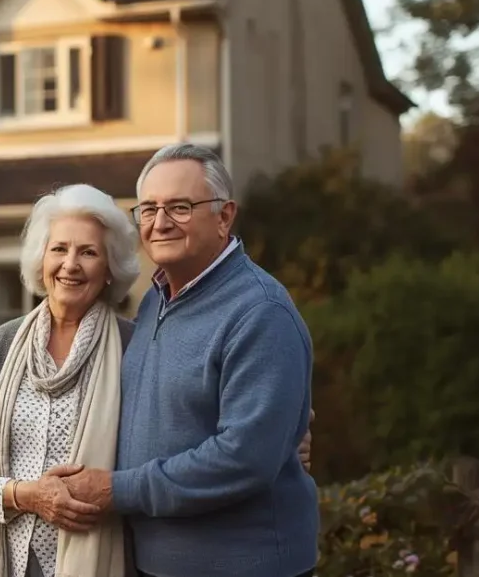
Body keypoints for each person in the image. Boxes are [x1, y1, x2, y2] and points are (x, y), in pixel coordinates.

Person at [0, 182, 312, 577]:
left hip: (100, 557)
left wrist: (286, 433)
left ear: (109, 269)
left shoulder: (132, 344)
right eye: (59, 249)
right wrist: (28, 495)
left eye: (88, 252)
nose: (70, 264)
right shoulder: (2, 344)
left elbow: (183, 420)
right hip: (1, 562)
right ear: (41, 260)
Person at [57, 143, 320, 577]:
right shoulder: (153, 302)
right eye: (148, 209)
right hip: (156, 562)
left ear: (224, 216)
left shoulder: (259, 312)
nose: (160, 223)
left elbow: (244, 459)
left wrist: (117, 490)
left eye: (180, 207)